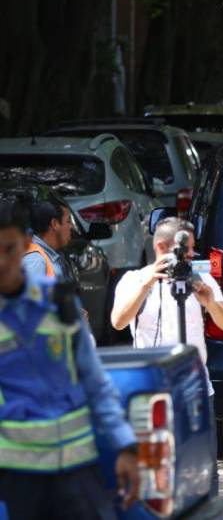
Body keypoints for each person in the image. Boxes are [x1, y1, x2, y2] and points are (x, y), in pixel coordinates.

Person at [0, 198, 140, 519]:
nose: (2, 262)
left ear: (24, 244)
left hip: (77, 473)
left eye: (9, 249)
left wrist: (124, 446)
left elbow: (94, 382)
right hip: (18, 478)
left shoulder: (57, 304)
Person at [111, 216, 223, 492]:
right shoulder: (133, 280)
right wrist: (146, 284)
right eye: (186, 249)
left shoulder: (199, 279)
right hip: (152, 393)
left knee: (203, 472)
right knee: (154, 475)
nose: (191, 255)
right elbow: (118, 321)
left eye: (191, 249)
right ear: (161, 247)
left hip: (196, 390)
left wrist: (209, 302)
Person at [22, 197, 74, 279]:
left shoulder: (54, 254)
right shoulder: (36, 262)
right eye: (68, 221)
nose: (71, 226)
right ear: (55, 224)